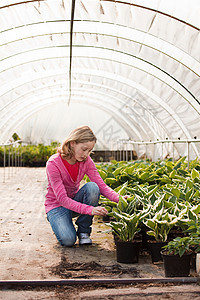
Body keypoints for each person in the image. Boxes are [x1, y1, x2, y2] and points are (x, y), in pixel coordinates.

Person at [45, 125, 123, 247]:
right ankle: (57, 220)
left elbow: (101, 186)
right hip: (57, 206)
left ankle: (84, 232)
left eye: (89, 151)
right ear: (72, 143)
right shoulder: (54, 163)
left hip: (74, 202)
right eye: (84, 149)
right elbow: (63, 200)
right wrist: (90, 210)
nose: (86, 154)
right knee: (68, 240)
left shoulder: (86, 161)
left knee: (93, 187)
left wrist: (121, 199)